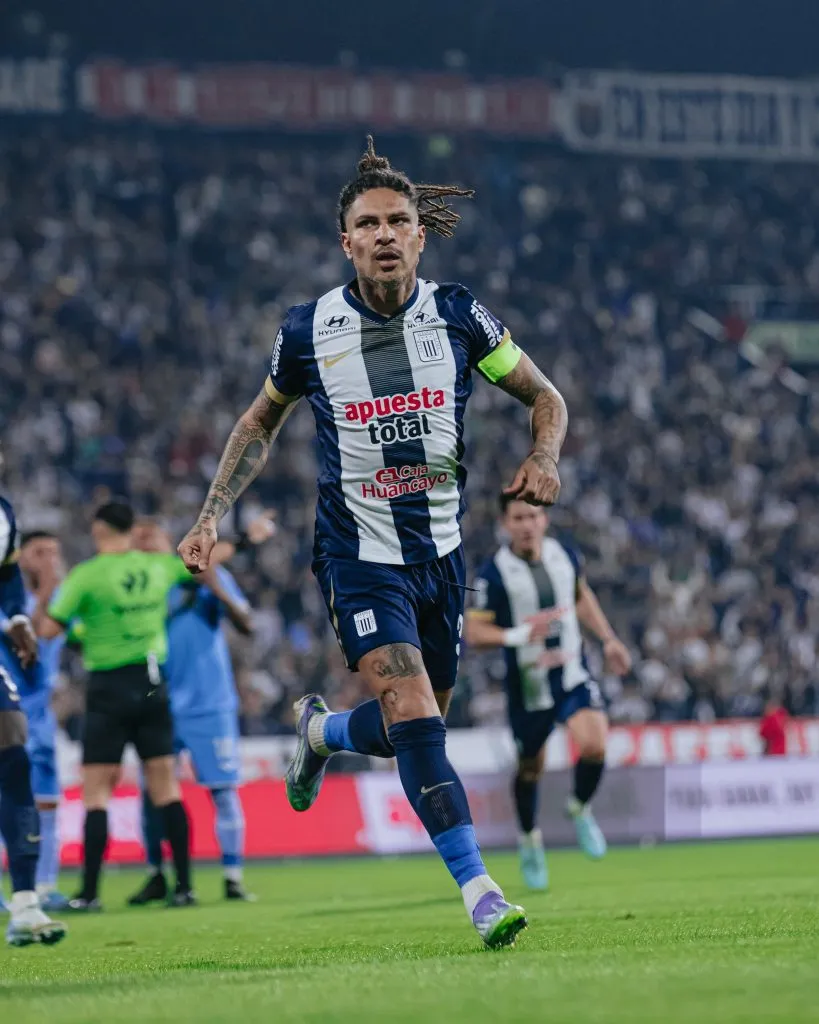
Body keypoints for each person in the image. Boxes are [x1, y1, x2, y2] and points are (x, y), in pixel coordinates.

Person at [177, 137, 568, 948]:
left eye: (398, 220)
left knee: (404, 735)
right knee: (417, 719)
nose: (385, 234)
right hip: (357, 557)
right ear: (345, 239)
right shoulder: (306, 330)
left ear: (419, 234)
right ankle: (481, 893)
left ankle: (319, 733)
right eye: (368, 223)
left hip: (441, 555)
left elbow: (545, 396)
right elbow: (259, 423)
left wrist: (543, 456)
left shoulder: (459, 315)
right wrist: (212, 513)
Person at [33, 500, 199, 911]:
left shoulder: (87, 576)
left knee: (96, 793)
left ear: (98, 529)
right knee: (166, 787)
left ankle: (89, 894)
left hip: (108, 687)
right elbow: (199, 565)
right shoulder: (157, 567)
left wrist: (80, 627)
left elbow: (50, 629)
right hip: (151, 684)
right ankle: (185, 888)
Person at [465, 495, 632, 890]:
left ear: (544, 520)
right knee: (530, 769)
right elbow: (474, 632)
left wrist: (608, 638)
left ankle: (579, 807)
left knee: (594, 744)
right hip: (529, 687)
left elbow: (580, 595)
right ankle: (529, 840)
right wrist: (520, 634)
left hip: (571, 673)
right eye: (518, 517)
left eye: (533, 516)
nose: (527, 524)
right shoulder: (494, 573)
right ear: (505, 524)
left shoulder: (564, 555)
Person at [127, 518, 266, 905]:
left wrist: (214, 586)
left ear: (170, 543)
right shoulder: (139, 590)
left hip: (210, 702)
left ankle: (233, 877)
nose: (143, 544)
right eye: (137, 540)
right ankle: (157, 873)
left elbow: (248, 624)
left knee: (222, 790)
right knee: (151, 792)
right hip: (158, 703)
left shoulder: (205, 575)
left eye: (150, 536)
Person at [0, 460, 66, 944]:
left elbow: (4, 577)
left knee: (13, 754)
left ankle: (24, 903)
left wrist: (16, 619)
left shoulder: (3, 514)